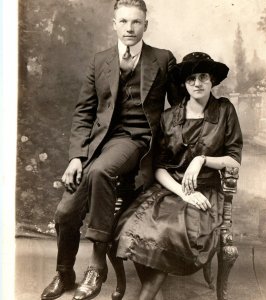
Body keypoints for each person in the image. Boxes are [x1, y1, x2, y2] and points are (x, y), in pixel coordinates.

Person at [41, 1, 180, 300]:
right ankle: (65, 273)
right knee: (65, 212)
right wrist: (77, 156)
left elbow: (179, 109)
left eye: (136, 22)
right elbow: (84, 112)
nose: (130, 29)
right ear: (114, 23)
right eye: (124, 22)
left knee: (104, 170)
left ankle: (96, 266)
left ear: (146, 24)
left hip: (137, 141)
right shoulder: (100, 61)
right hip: (98, 144)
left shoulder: (163, 59)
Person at [114, 52, 243, 300]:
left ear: (212, 80)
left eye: (203, 76)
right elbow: (159, 167)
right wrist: (183, 191)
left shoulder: (225, 110)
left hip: (206, 191)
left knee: (169, 230)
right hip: (171, 188)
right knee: (129, 224)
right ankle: (152, 290)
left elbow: (233, 159)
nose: (197, 83)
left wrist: (201, 159)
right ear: (183, 84)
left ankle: (146, 295)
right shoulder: (169, 117)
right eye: (191, 78)